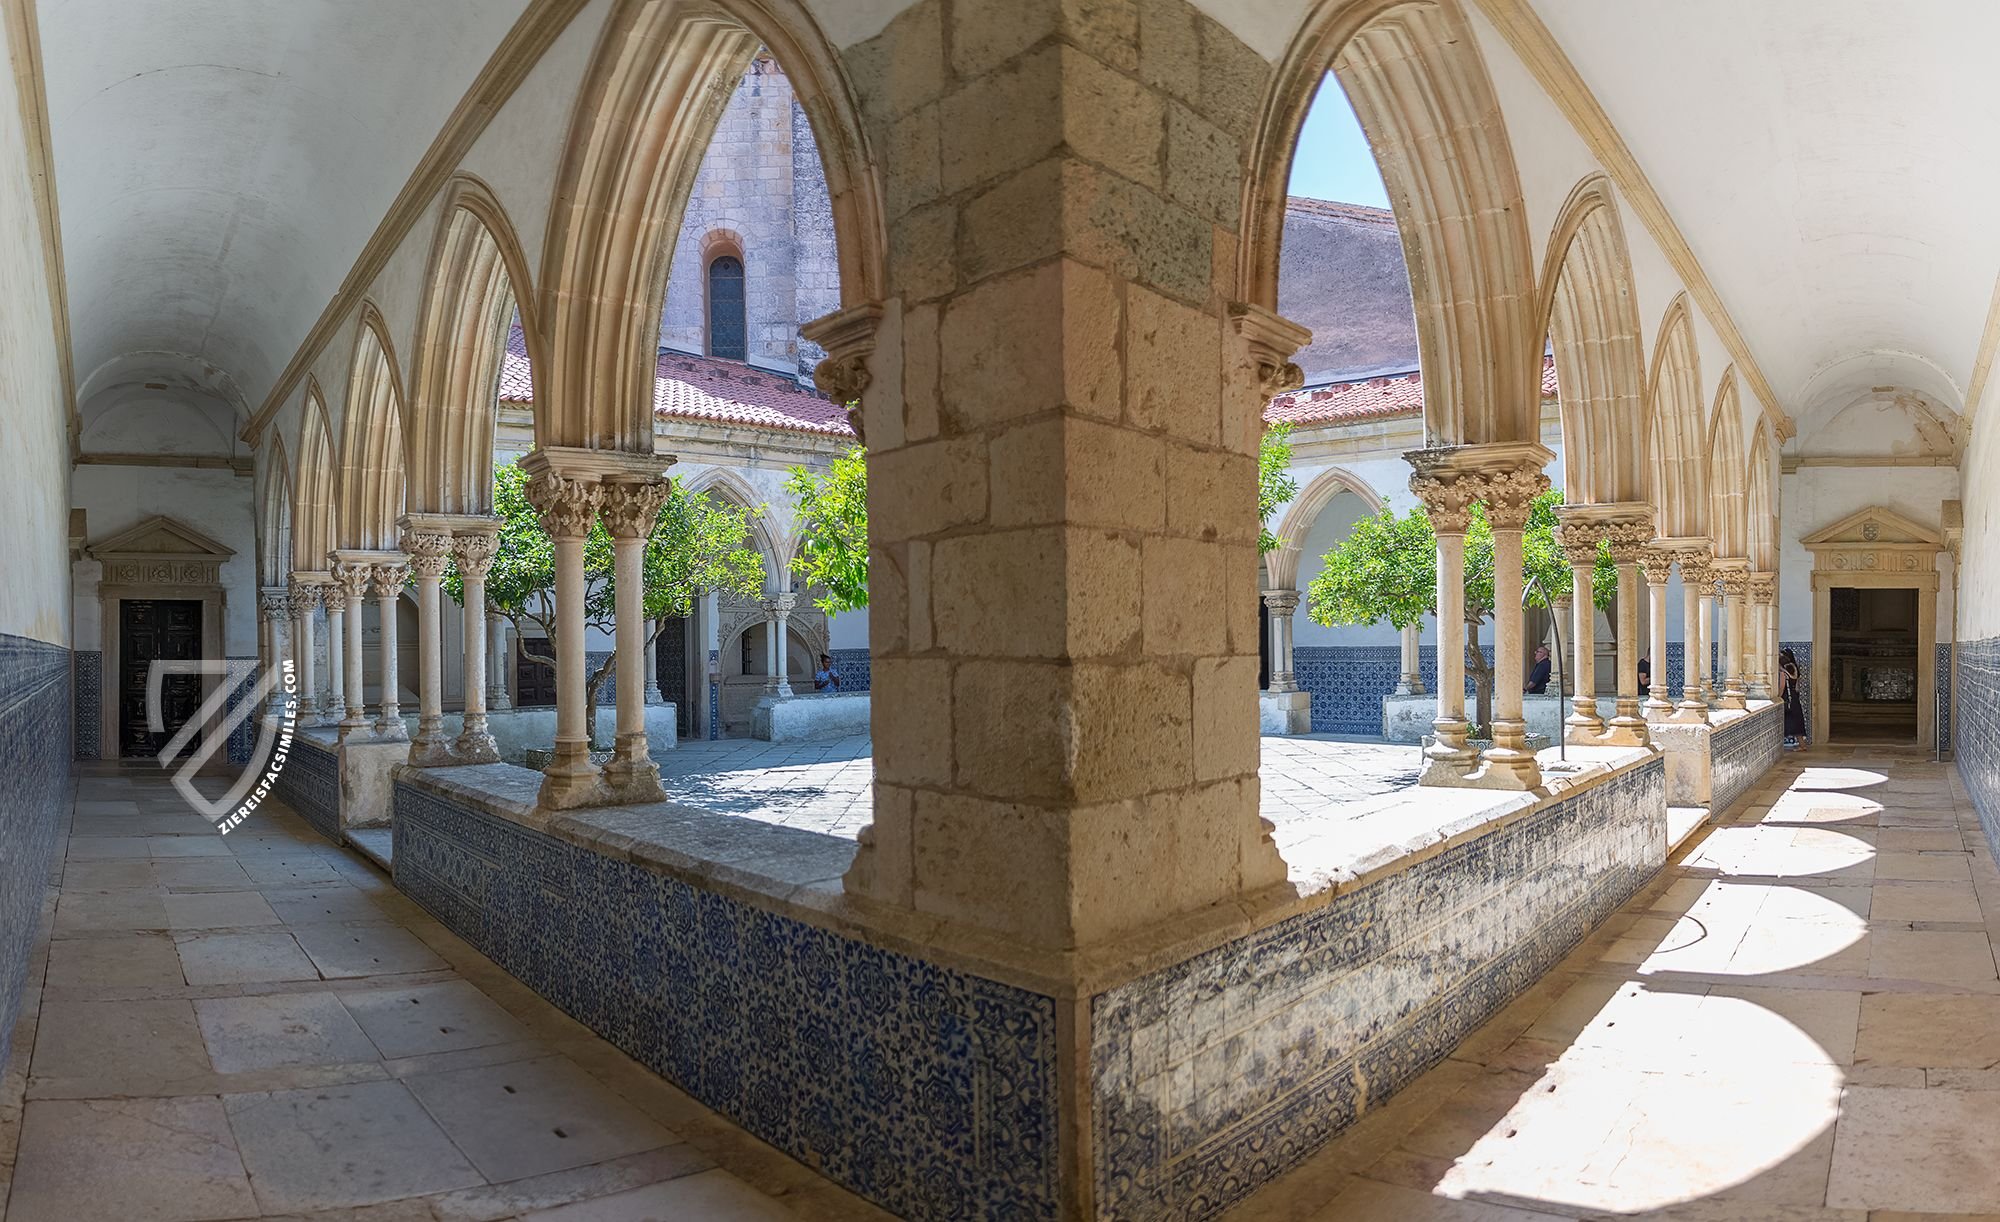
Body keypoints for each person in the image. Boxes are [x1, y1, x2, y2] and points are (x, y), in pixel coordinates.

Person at [1780, 647, 1807, 746]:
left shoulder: (1783, 674)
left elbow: (1782, 688)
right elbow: (1797, 688)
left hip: (1788, 700)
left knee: (1789, 723)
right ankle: (1802, 745)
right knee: (1798, 723)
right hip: (1795, 699)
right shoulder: (1795, 671)